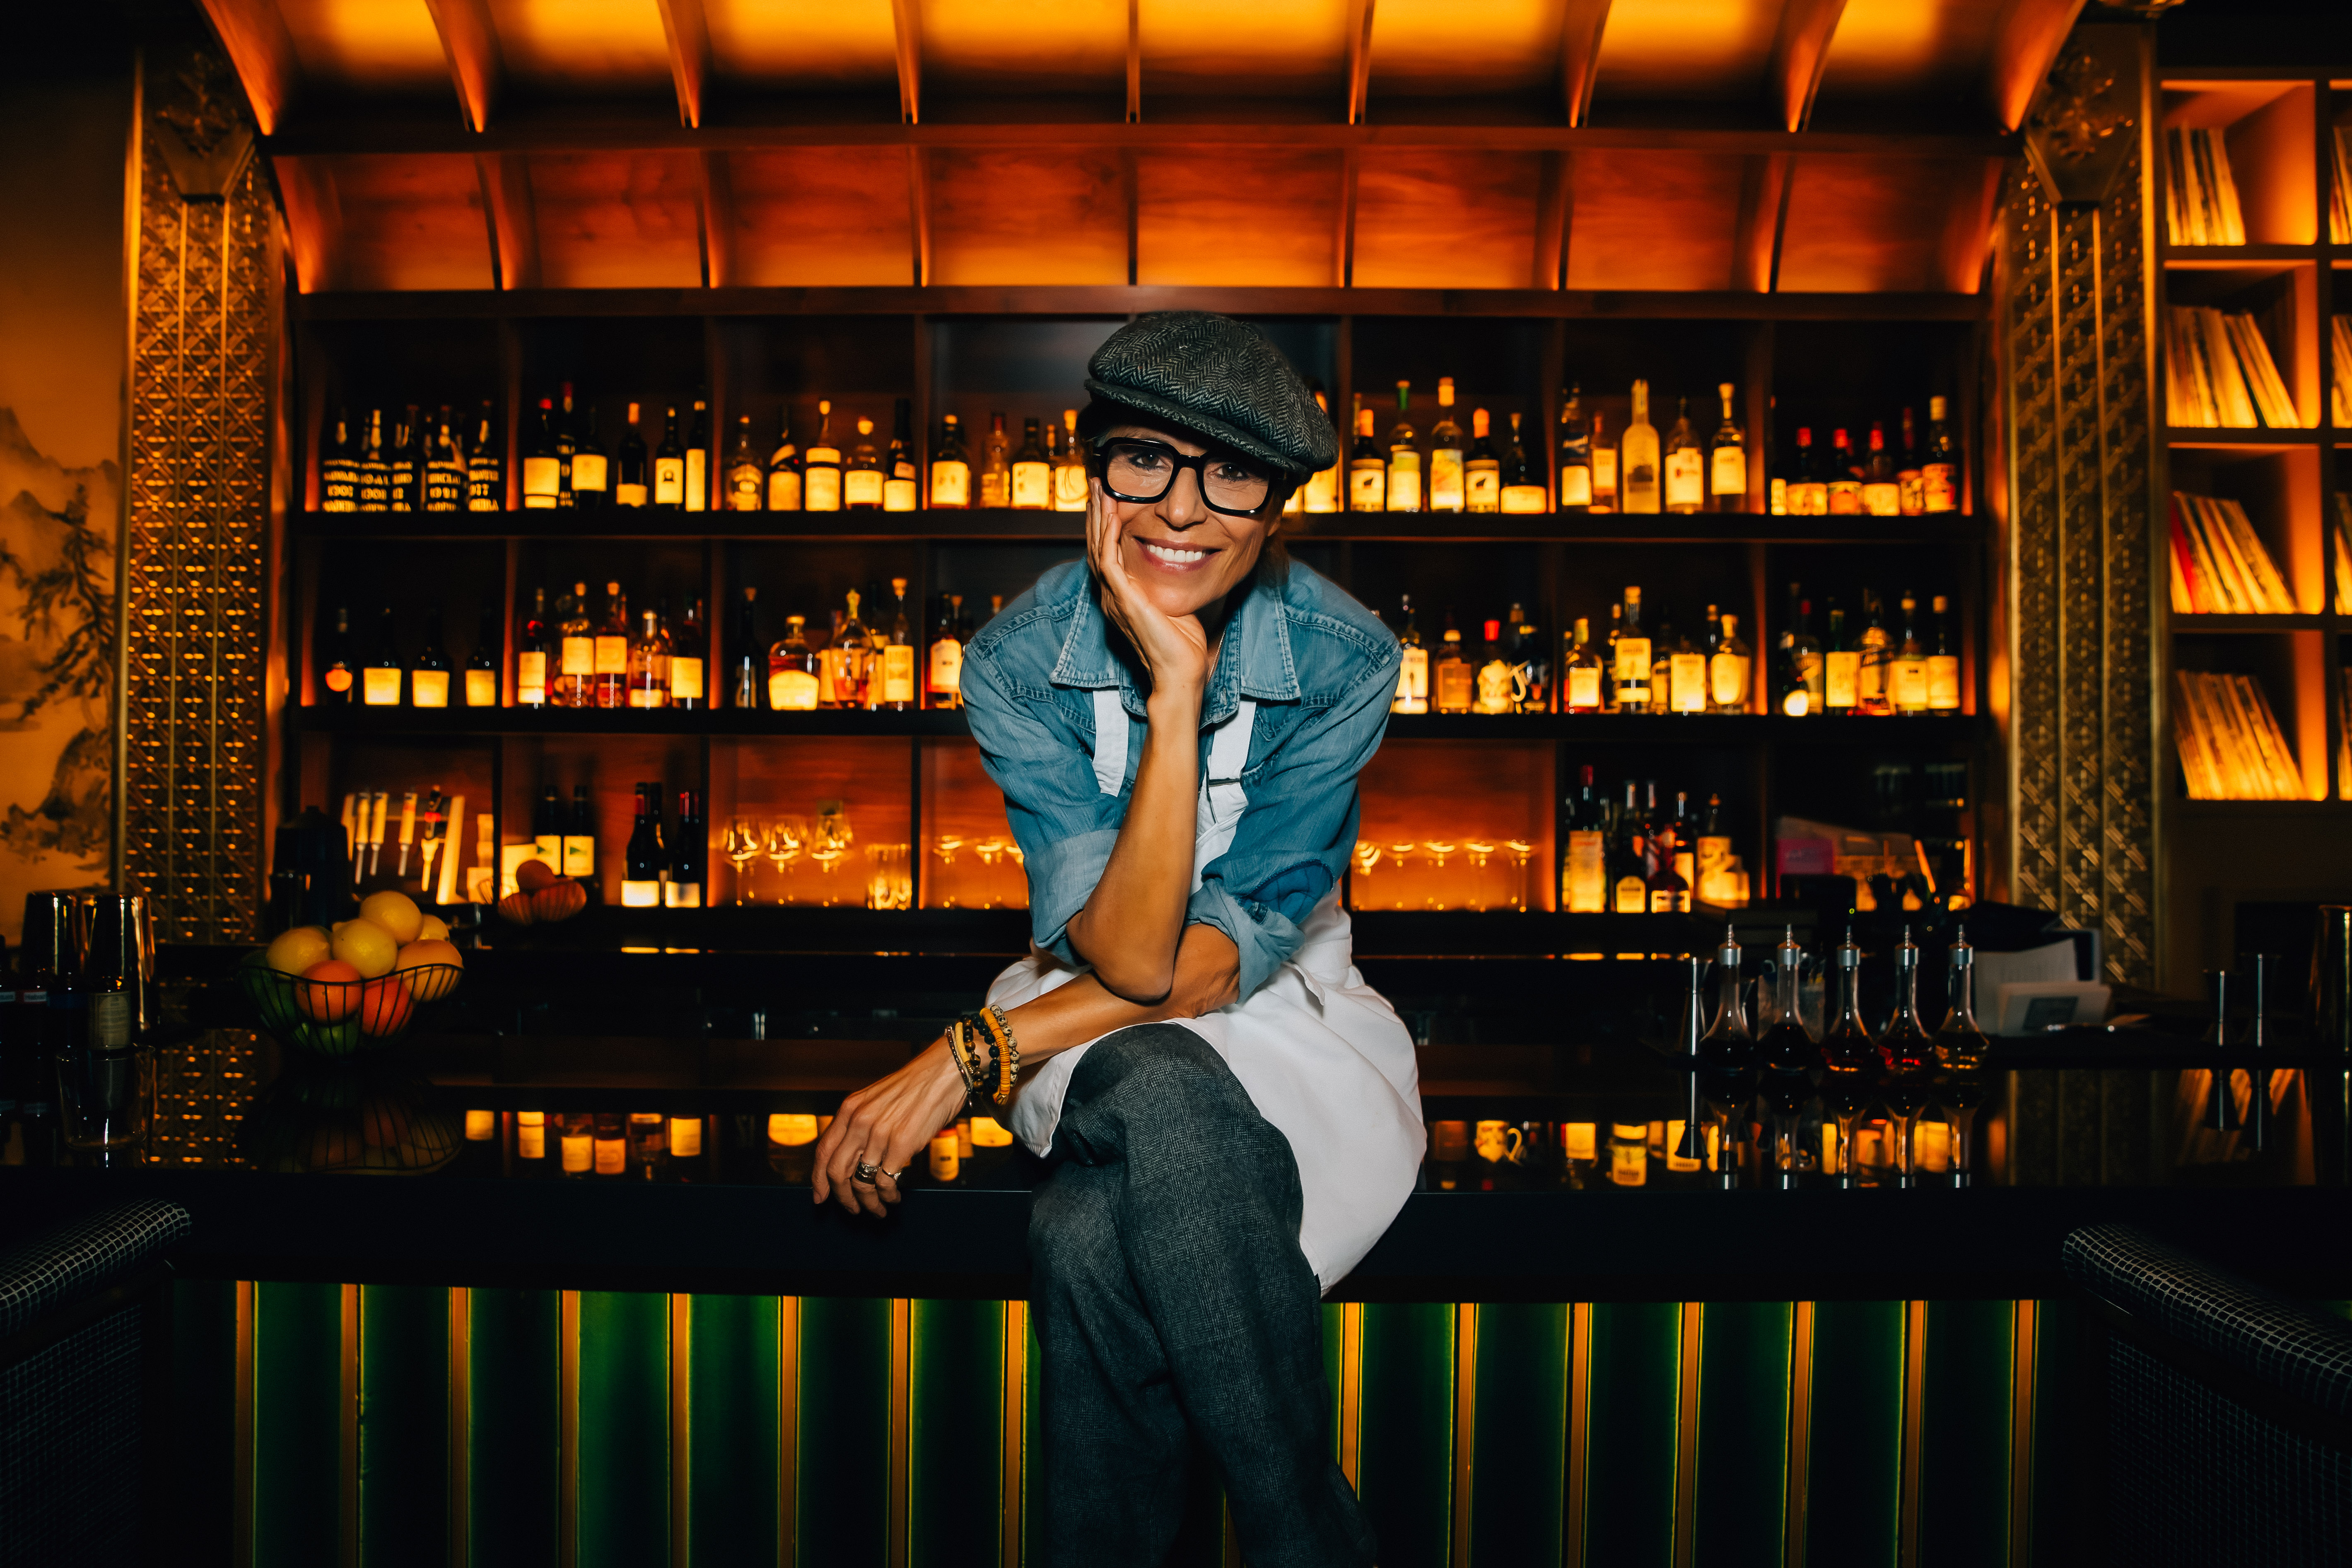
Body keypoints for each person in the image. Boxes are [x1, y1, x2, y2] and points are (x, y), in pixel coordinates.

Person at [811, 312, 1422, 1566]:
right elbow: (1136, 956)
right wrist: (1178, 681)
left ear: (1277, 510)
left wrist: (977, 1050)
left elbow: (1219, 956)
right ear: (1092, 467)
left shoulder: (1349, 655)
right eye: (1146, 458)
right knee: (1158, 1077)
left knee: (1087, 1235)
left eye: (1231, 474)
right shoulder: (1018, 660)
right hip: (1100, 1016)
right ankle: (1315, 1539)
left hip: (1287, 1028)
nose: (1183, 511)